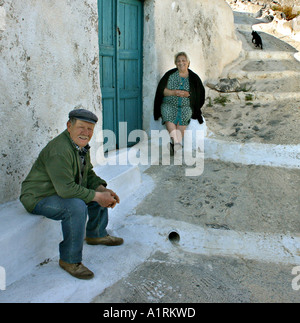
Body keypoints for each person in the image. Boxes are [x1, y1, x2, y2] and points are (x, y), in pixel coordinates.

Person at [20, 108, 124, 280]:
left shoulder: (80, 145)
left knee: (95, 192)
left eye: (90, 129)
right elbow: (66, 190)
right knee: (76, 206)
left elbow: (88, 173)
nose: (86, 133)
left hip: (59, 190)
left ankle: (96, 234)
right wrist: (97, 196)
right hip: (39, 197)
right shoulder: (59, 150)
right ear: (69, 126)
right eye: (81, 127)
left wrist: (101, 189)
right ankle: (69, 260)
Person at [154, 52, 205, 154]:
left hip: (186, 105)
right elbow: (161, 90)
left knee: (185, 114)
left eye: (183, 60)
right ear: (175, 63)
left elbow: (200, 94)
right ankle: (177, 144)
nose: (181, 63)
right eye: (178, 61)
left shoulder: (194, 77)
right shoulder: (170, 75)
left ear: (188, 63)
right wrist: (174, 92)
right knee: (167, 112)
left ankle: (175, 144)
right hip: (169, 104)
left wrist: (189, 95)